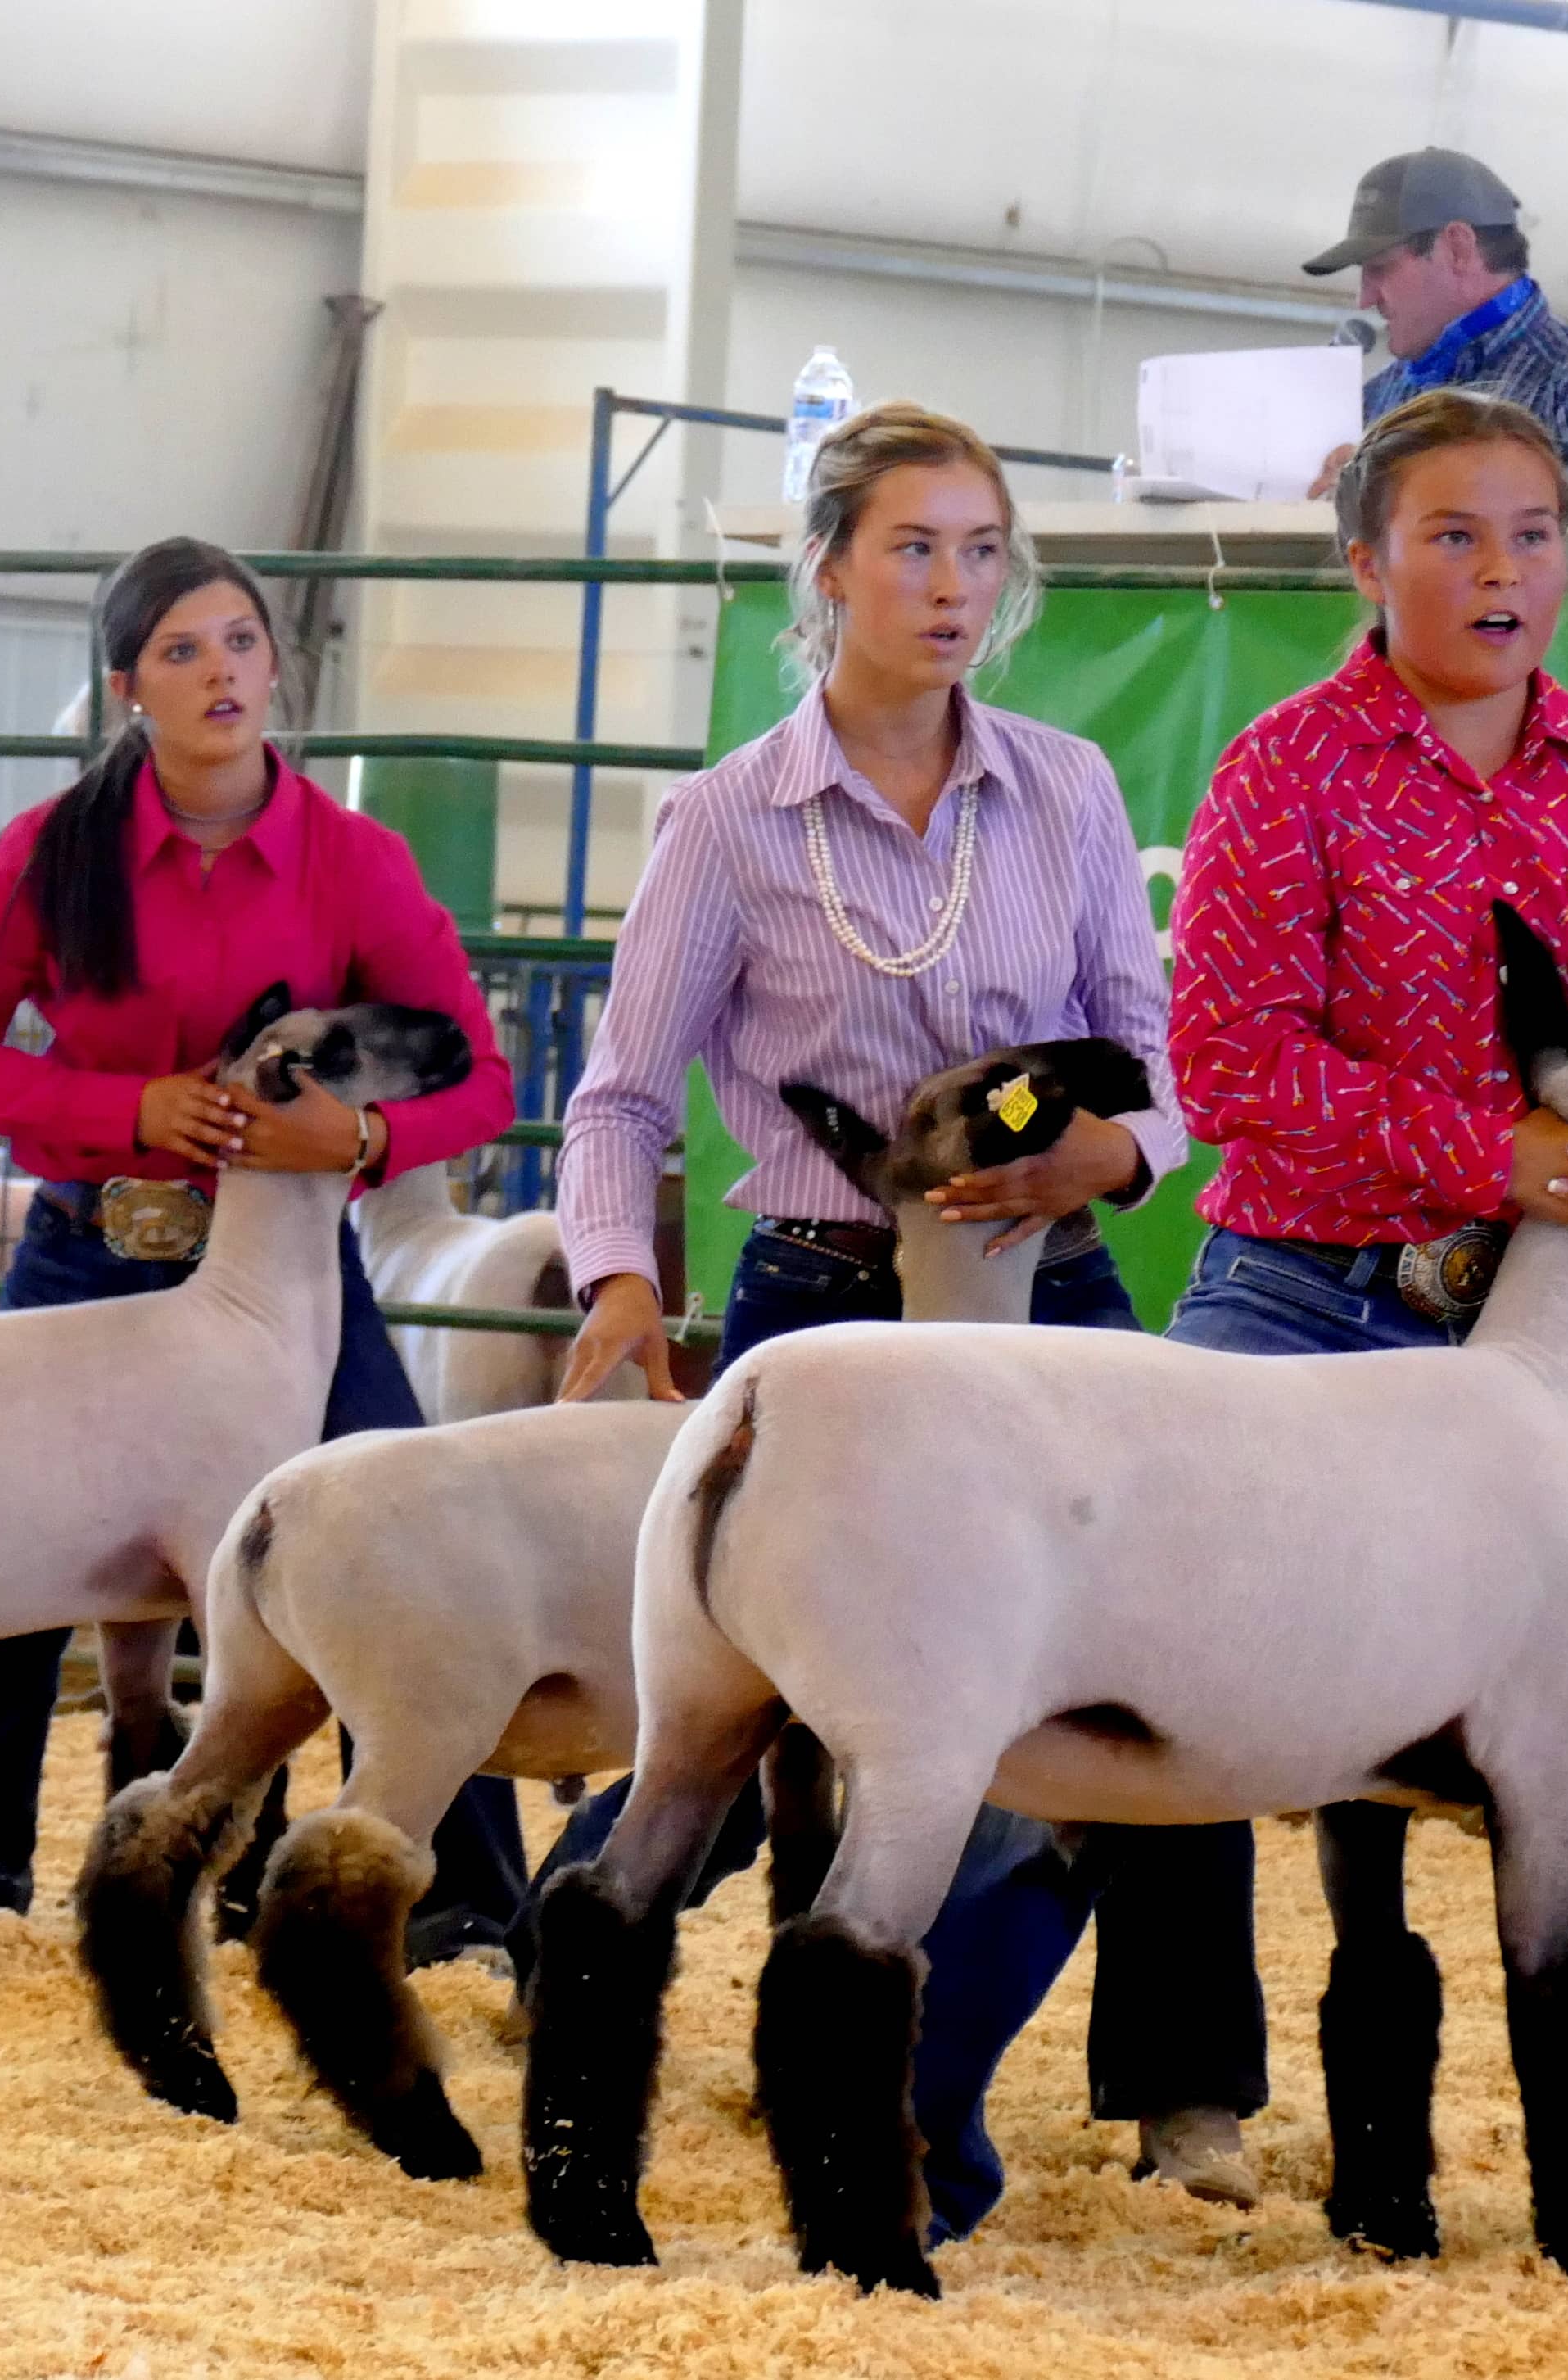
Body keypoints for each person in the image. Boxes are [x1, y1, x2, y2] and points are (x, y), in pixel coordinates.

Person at [904, 388, 1568, 2265]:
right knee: (1084, 1707)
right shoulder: (1282, 772)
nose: (1501, 572)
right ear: (1365, 559)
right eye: (1452, 535)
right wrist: (1494, 1155)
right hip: (1308, 1310)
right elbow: (1234, 1073)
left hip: (1565, 1351)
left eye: (1533, 536)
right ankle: (889, 2110)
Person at [548, 401, 1250, 2201]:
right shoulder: (726, 821)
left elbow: (1156, 1055)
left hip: (1052, 1299)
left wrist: (1124, 1155)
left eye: (981, 551)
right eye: (915, 549)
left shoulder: (1068, 787)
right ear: (832, 568)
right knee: (786, 1711)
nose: (951, 588)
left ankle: (1181, 2097)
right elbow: (623, 1088)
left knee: (1164, 1673)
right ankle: (649, 2004)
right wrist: (624, 1277)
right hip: (833, 1312)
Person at [0, 536, 528, 1957]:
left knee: (403, 1546)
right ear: (125, 688)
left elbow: (476, 1078)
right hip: (94, 1251)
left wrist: (354, 1147)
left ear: (277, 661)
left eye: (238, 642)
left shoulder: (354, 863)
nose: (218, 672)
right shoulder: (47, 855)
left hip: (291, 1284)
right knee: (9, 1565)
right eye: (180, 651)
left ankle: (460, 1896)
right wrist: (125, 1107)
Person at [1299, 149, 1568, 500]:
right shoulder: (1379, 395)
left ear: (1458, 248)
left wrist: (1397, 490)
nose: (1364, 299)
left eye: (1379, 267)